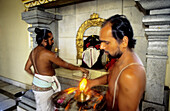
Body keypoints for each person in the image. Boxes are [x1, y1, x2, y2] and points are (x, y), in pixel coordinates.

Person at [85, 14, 146, 111]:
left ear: (124, 42)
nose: (101, 47)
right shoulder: (120, 60)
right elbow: (112, 76)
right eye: (101, 42)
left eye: (107, 42)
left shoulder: (130, 74)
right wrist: (92, 82)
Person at [24, 28, 89, 111]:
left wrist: (38, 78)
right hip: (45, 88)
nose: (53, 41)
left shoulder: (33, 52)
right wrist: (80, 69)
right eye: (51, 39)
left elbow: (27, 68)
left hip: (37, 85)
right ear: (44, 40)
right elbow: (66, 65)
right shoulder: (48, 54)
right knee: (46, 109)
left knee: (40, 107)